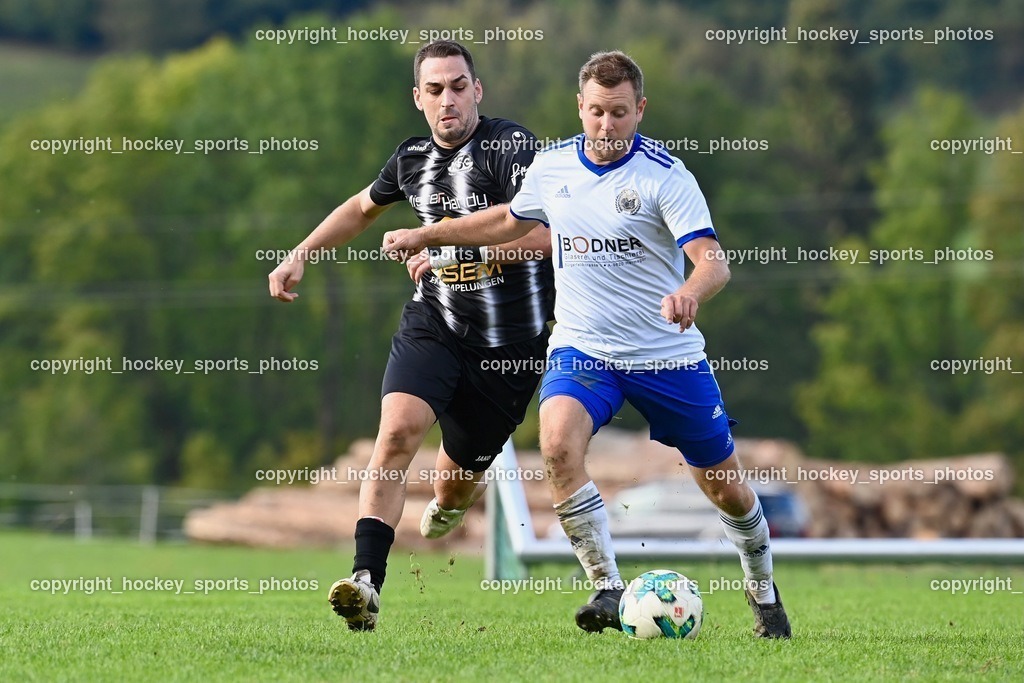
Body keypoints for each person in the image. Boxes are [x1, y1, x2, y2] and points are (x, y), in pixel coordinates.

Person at [382, 50, 792, 639]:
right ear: (580, 107)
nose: (606, 125)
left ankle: (763, 590)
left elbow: (713, 262)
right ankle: (607, 586)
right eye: (597, 112)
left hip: (665, 356)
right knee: (556, 446)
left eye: (619, 113)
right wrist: (430, 234)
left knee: (725, 489)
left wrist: (689, 292)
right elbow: (508, 221)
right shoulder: (553, 168)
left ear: (640, 109)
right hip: (583, 349)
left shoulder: (666, 176)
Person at [267, 40, 553, 632]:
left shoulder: (511, 147)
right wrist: (301, 253)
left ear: (477, 91)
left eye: (458, 87)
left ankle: (450, 503)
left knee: (453, 489)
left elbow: (544, 237)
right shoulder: (410, 158)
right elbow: (360, 208)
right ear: (418, 98)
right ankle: (365, 582)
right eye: (435, 89)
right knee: (396, 434)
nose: (448, 100)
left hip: (510, 351)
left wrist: (443, 245)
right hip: (435, 325)